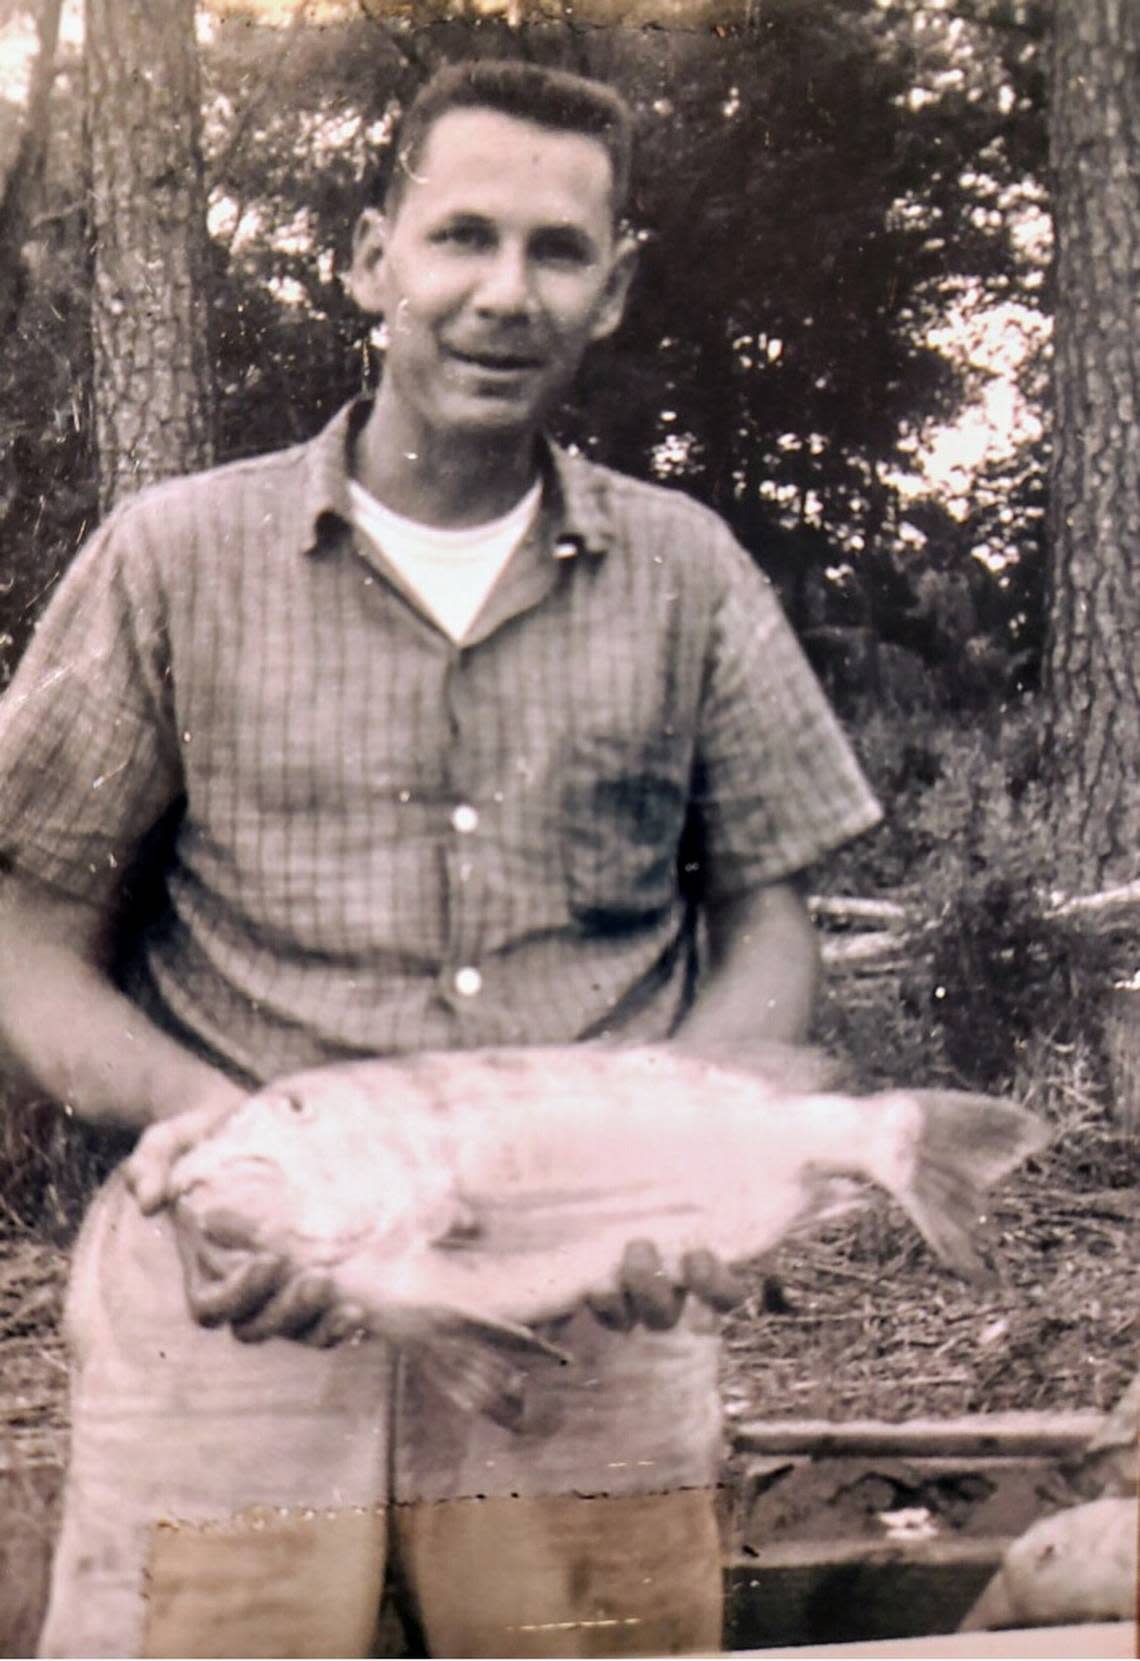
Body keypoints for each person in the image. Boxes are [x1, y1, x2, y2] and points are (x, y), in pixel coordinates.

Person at [0, 60, 881, 1659]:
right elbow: (23, 936)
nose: (502, 292)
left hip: (587, 1316)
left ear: (613, 289)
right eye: (460, 235)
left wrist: (686, 1139)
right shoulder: (174, 556)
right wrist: (226, 1144)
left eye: (557, 251)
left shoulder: (686, 574)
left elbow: (770, 914)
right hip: (234, 1307)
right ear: (371, 259)